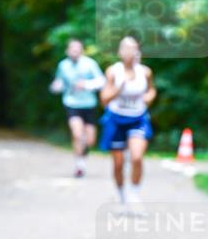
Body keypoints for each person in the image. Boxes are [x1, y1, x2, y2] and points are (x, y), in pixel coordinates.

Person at [99, 36, 156, 210]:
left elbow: (151, 90)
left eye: (133, 48)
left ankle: (134, 195)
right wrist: (118, 88)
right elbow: (104, 100)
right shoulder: (113, 72)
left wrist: (148, 98)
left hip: (137, 118)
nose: (129, 52)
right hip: (116, 119)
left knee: (137, 157)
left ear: (137, 51)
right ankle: (121, 194)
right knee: (118, 163)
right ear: (120, 52)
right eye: (125, 48)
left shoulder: (145, 72)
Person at [50, 39, 105, 177]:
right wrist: (56, 86)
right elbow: (59, 82)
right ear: (67, 51)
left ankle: (83, 155)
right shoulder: (63, 65)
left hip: (89, 104)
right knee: (77, 134)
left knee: (90, 140)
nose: (74, 51)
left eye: (77, 49)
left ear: (81, 50)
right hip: (71, 103)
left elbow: (102, 81)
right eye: (72, 49)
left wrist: (86, 84)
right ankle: (79, 165)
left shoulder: (90, 63)